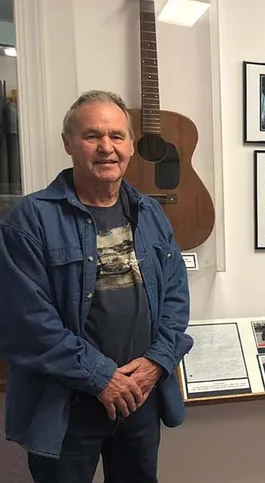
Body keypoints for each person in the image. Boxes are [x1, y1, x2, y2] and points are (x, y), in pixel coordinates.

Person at [0, 90, 194, 482]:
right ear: (68, 143)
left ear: (132, 146)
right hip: (65, 407)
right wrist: (101, 376)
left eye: (117, 136)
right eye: (92, 136)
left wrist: (157, 362)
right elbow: (27, 322)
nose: (107, 147)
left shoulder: (150, 212)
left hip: (139, 398)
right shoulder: (29, 221)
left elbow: (176, 296)